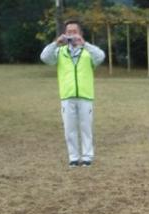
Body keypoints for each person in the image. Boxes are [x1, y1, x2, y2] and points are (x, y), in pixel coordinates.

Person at [41, 20, 105, 168]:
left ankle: (87, 157)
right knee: (69, 129)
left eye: (74, 31)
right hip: (67, 96)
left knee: (86, 128)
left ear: (80, 33)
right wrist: (56, 43)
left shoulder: (88, 52)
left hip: (85, 96)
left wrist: (85, 44)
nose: (71, 35)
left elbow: (101, 57)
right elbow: (44, 57)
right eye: (68, 32)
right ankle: (74, 157)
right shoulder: (59, 52)